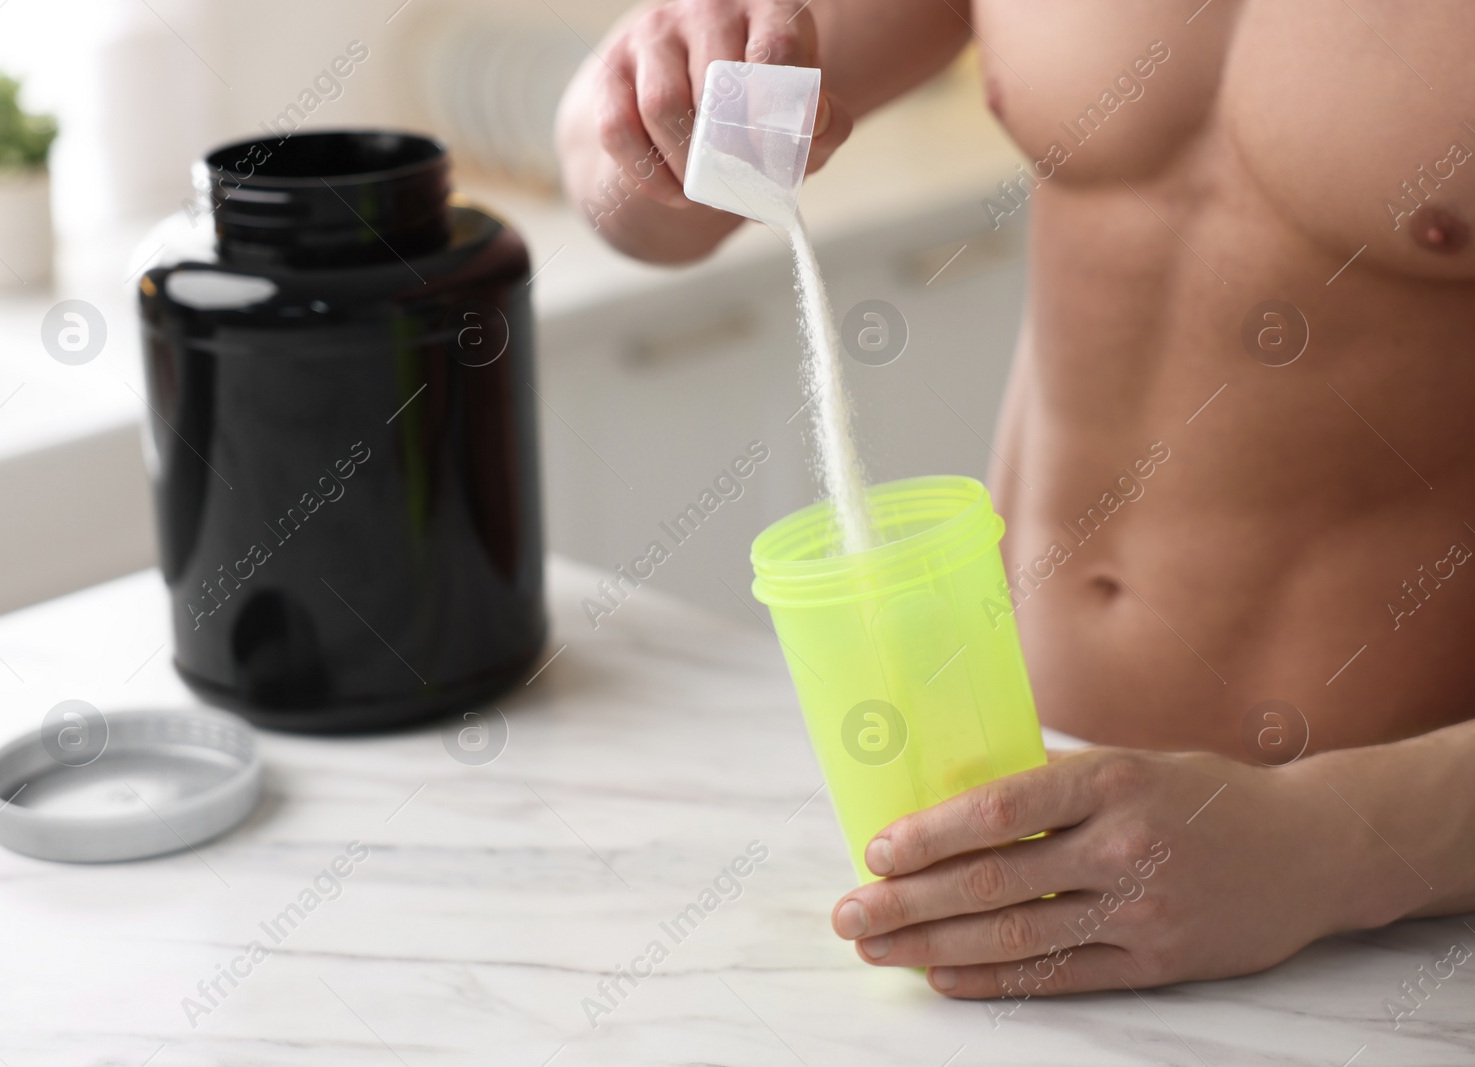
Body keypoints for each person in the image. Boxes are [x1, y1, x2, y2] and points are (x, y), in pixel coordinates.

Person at [555, 0, 1475, 1001]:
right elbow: (643, 196)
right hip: (1007, 826)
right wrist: (643, 113)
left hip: (1384, 920)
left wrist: (1327, 841)